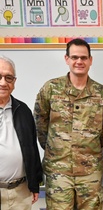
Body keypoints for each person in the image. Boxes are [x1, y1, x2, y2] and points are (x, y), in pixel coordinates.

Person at [33, 38, 103, 209]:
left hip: (89, 172)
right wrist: (56, 149)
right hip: (58, 172)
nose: (79, 61)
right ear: (67, 59)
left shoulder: (102, 94)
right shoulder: (51, 89)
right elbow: (40, 123)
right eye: (75, 57)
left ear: (90, 60)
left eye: (84, 58)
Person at [0, 55, 43, 209]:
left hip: (21, 192)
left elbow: (32, 148)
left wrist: (35, 183)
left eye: (8, 78)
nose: (3, 82)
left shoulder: (23, 110)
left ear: (14, 82)